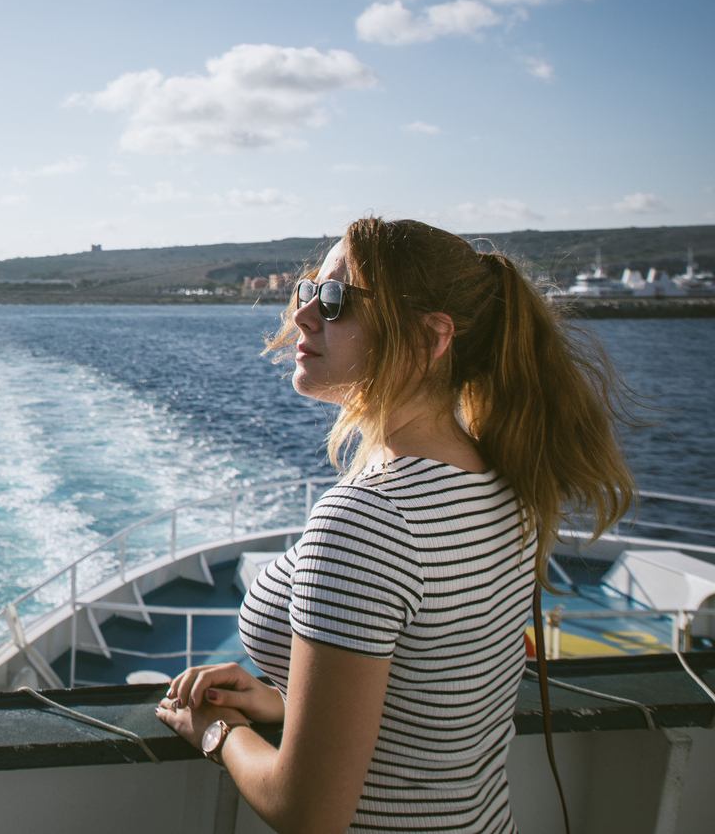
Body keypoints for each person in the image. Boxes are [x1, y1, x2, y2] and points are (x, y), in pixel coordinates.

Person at [154, 217, 635, 833]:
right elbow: (433, 684)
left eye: (335, 301)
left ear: (431, 336)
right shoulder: (505, 480)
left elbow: (309, 814)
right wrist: (287, 704)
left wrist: (217, 731)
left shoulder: (369, 522)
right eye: (306, 292)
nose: (303, 316)